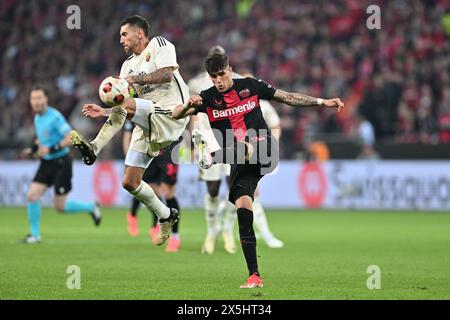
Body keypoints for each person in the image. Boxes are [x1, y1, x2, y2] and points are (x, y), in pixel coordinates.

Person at [172, 52, 343, 288]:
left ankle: (211, 157)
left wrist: (322, 102)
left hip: (264, 149)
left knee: (242, 145)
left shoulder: (250, 86)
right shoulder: (207, 98)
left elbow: (288, 97)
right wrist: (187, 106)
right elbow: (175, 115)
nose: (219, 81)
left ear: (229, 69)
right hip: (240, 161)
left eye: (222, 74)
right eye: (214, 77)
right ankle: (254, 275)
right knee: (243, 209)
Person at [70, 15, 189, 246]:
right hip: (147, 121)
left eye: (124, 34)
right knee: (130, 182)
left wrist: (134, 80)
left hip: (170, 113)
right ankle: (165, 215)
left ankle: (94, 147)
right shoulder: (126, 66)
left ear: (140, 33)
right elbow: (124, 105)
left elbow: (167, 74)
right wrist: (104, 111)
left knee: (123, 104)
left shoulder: (160, 45)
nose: (121, 40)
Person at [187, 47, 284, 255]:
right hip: (208, 143)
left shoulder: (237, 80)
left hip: (231, 143)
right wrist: (194, 142)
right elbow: (190, 114)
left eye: (221, 70)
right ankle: (211, 233)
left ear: (227, 66)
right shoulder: (195, 84)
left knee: (235, 187)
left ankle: (227, 231)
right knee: (212, 190)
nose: (218, 76)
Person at [21, 87, 101, 244]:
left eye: (39, 98)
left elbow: (71, 138)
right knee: (32, 196)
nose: (36, 102)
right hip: (47, 162)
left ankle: (91, 207)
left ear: (46, 100)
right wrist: (33, 149)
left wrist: (51, 149)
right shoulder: (37, 118)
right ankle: (35, 235)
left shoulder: (55, 117)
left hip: (61, 162)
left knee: (60, 207)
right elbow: (41, 139)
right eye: (33, 99)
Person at [123, 121, 182, 252]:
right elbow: (128, 133)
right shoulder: (140, 102)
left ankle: (175, 238)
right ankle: (154, 223)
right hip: (151, 144)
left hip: (171, 145)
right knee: (149, 189)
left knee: (168, 192)